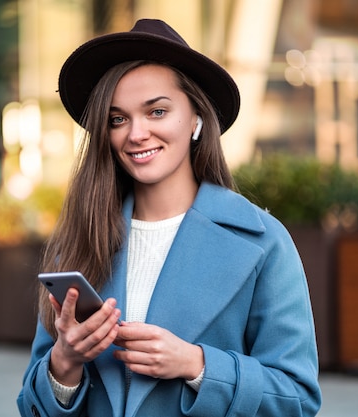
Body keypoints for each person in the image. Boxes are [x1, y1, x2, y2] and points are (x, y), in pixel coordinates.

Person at [17, 18, 321, 417]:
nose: (136, 133)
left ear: (196, 118)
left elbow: (298, 398)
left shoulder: (263, 242)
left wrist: (197, 365)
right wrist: (65, 361)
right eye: (117, 119)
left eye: (157, 111)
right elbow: (31, 405)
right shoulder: (80, 241)